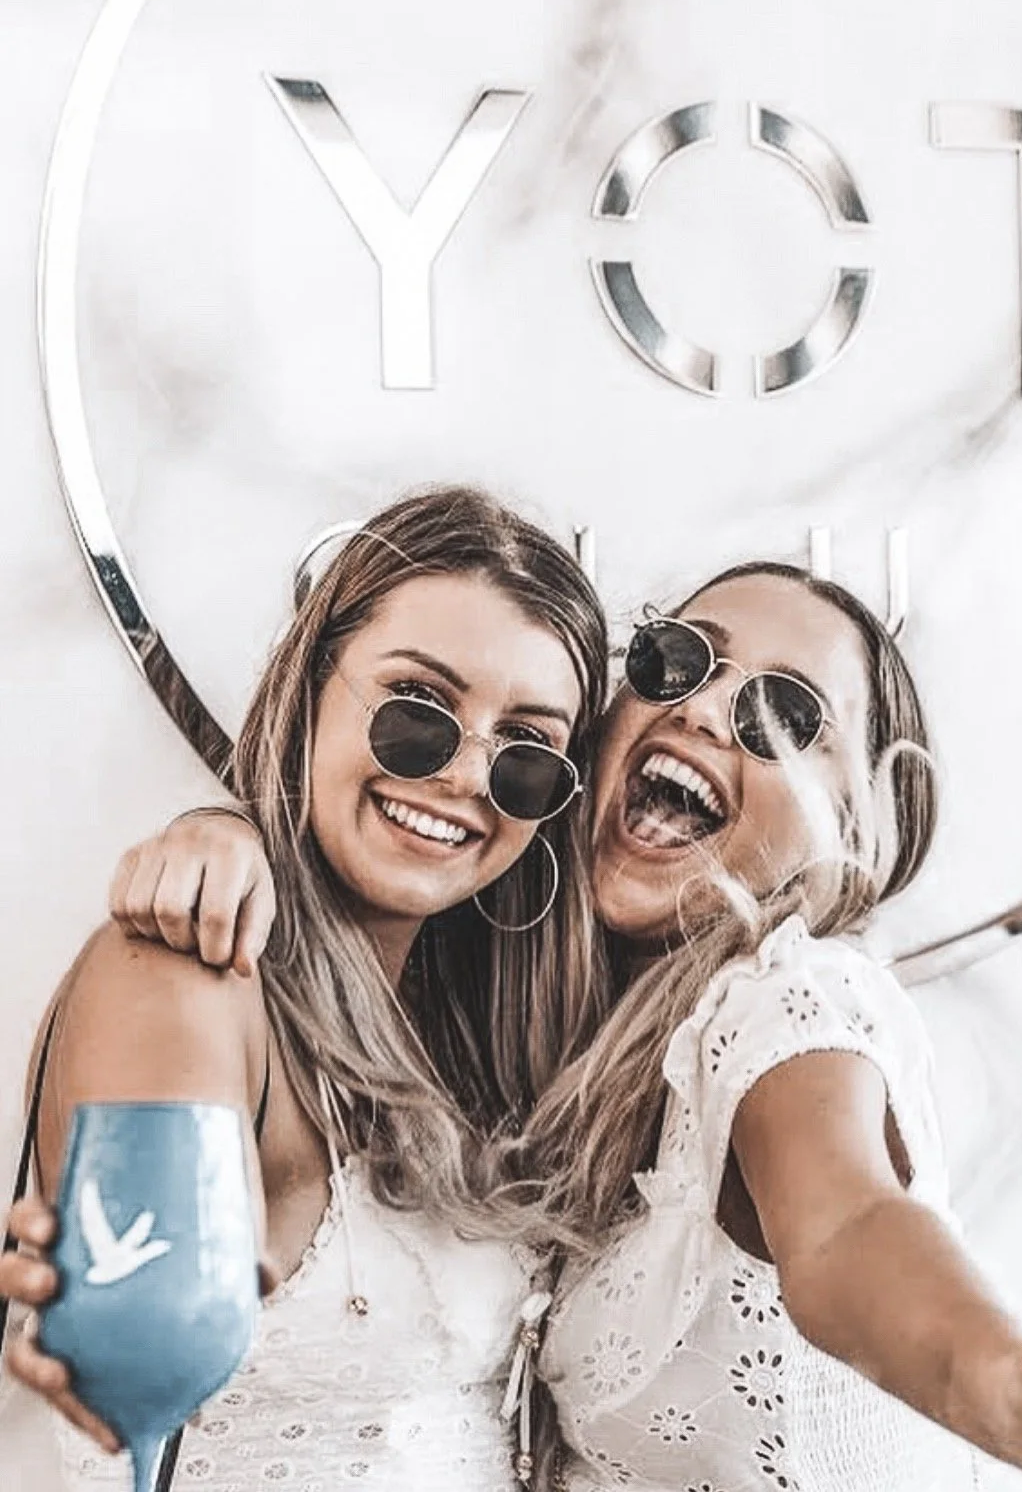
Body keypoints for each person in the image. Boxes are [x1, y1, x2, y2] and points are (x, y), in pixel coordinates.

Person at [5, 562, 1022, 1489]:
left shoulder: (790, 998)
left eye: (783, 715)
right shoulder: (524, 1055)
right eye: (673, 665)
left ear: (867, 819)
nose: (708, 712)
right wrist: (231, 835)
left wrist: (1013, 1392)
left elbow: (846, 1230)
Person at [0, 485, 610, 1491]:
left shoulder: (482, 1044)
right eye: (419, 711)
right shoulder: (187, 974)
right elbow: (136, 1330)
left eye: (528, 756)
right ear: (310, 689)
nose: (465, 777)